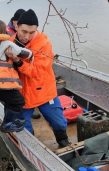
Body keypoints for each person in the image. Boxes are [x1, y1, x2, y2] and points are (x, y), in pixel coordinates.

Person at [6, 9, 70, 148]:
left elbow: (37, 71)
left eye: (31, 32)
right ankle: (31, 147)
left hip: (44, 91)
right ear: (16, 27)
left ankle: (63, 140)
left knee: (57, 120)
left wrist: (18, 62)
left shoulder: (44, 44)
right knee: (24, 126)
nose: (27, 36)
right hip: (22, 94)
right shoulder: (9, 43)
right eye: (24, 31)